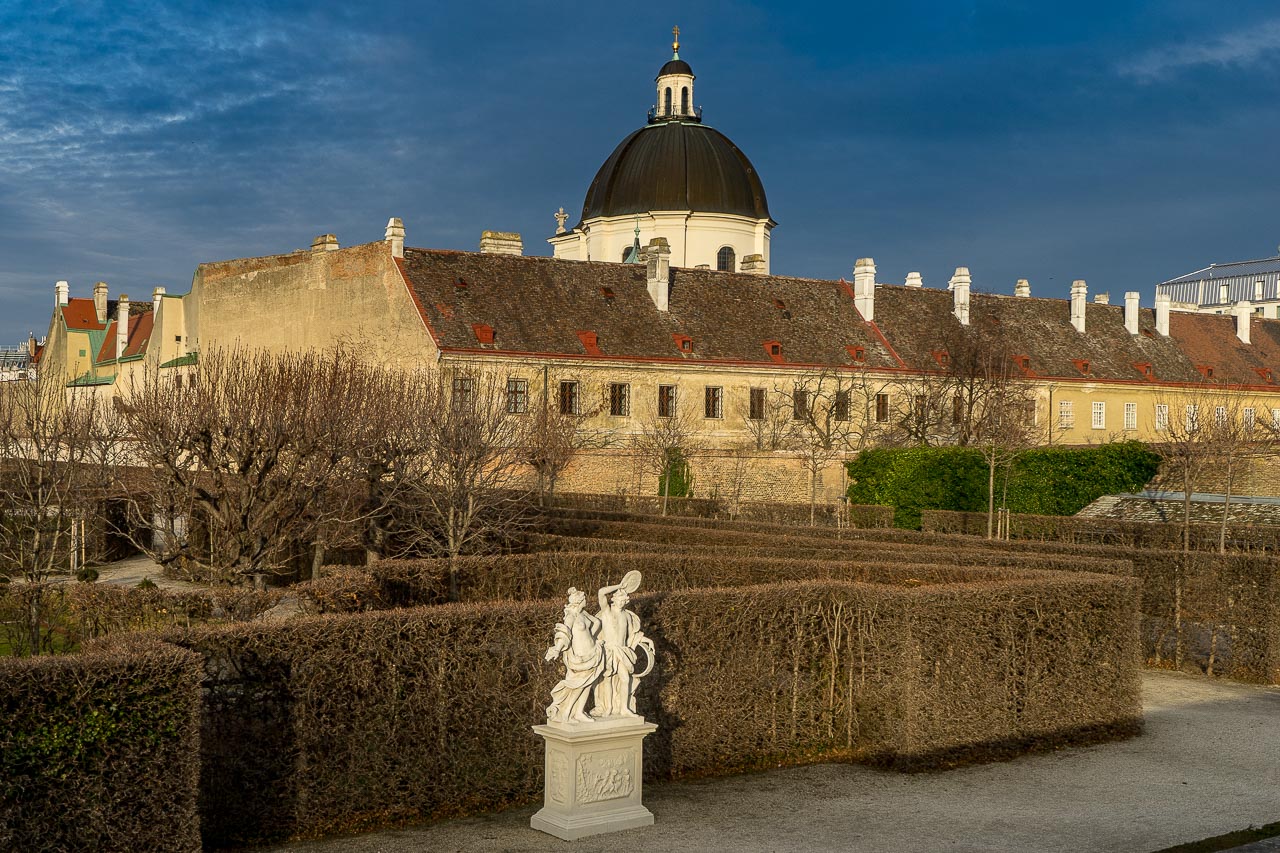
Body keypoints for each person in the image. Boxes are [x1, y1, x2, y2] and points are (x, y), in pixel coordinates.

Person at [592, 580, 654, 718]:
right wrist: (619, 586)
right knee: (607, 679)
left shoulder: (627, 616)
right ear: (613, 599)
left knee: (625, 679)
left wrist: (646, 639)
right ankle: (608, 707)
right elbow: (601, 592)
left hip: (622, 651)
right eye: (619, 599)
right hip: (608, 651)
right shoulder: (606, 612)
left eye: (623, 600)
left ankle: (624, 708)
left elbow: (631, 635)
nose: (621, 602)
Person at [543, 588, 603, 724]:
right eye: (584, 598)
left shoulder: (583, 613)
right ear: (579, 601)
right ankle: (567, 711)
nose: (586, 600)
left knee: (587, 684)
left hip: (591, 653)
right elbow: (565, 633)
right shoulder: (571, 616)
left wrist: (591, 638)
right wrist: (557, 649)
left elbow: (597, 623)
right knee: (578, 685)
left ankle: (579, 711)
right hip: (580, 657)